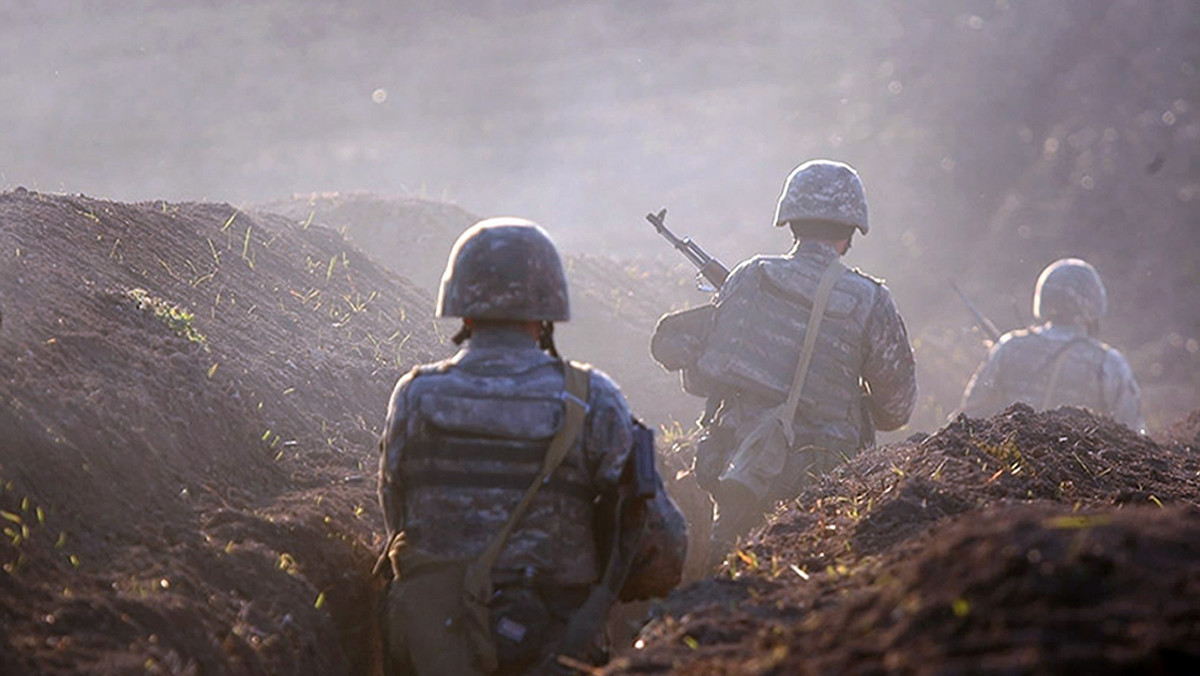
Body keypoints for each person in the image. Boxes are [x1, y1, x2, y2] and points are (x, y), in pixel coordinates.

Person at [375, 218, 686, 676]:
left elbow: (397, 514)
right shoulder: (592, 399)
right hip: (555, 647)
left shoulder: (415, 395)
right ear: (546, 313)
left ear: (463, 310)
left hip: (436, 647)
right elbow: (664, 545)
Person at [652, 159, 917, 567]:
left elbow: (706, 379)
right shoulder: (870, 300)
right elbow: (896, 409)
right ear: (851, 231)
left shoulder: (748, 276)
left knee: (724, 573)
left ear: (790, 220)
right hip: (826, 482)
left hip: (743, 467)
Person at [959, 257, 1144, 433]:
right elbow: (1135, 436)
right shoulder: (1109, 363)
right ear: (1093, 301)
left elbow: (967, 417)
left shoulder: (1009, 347)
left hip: (1009, 462)